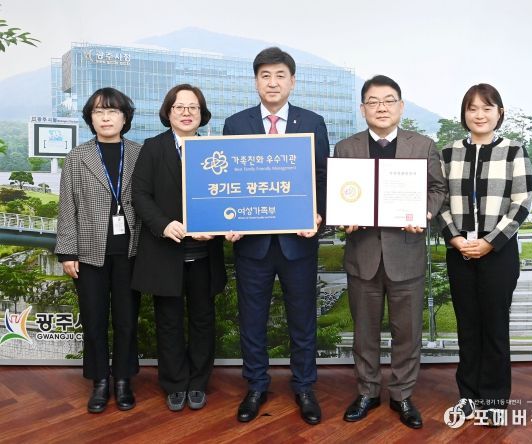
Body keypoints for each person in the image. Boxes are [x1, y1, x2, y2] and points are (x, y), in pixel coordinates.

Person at [222, 47, 329, 425]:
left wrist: (319, 215)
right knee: (252, 320)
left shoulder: (312, 122)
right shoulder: (236, 124)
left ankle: (304, 386)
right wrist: (226, 218)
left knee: (303, 319)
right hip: (252, 244)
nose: (272, 82)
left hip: (298, 242)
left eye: (280, 75)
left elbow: (322, 177)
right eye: (265, 75)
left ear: (292, 82)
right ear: (256, 82)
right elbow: (228, 179)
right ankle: (256, 385)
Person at [334, 75, 446, 429]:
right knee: (364, 332)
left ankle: (402, 394)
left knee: (407, 333)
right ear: (362, 108)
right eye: (373, 101)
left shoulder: (423, 145)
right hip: (363, 255)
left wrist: (424, 214)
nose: (381, 107)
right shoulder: (346, 148)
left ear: (401, 106)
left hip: (406, 254)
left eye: (388, 100)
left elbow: (437, 188)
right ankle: (367, 392)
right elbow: (338, 195)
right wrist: (343, 217)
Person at [438, 83, 532, 426]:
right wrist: (454, 238)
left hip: (499, 253)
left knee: (494, 326)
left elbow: (522, 202)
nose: (479, 114)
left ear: (499, 112)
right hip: (460, 251)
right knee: (467, 325)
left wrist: (491, 241)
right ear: (464, 114)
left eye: (487, 108)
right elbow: (440, 200)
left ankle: (493, 400)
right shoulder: (448, 153)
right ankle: (468, 396)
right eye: (472, 108)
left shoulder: (514, 151)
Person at [131, 84, 226, 412]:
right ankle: (174, 383)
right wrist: (163, 224)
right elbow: (140, 195)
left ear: (202, 113)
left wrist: (215, 227)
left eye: (193, 107)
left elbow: (226, 194)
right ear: (168, 112)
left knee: (203, 319)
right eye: (179, 107)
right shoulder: (152, 148)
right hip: (165, 251)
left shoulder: (214, 149)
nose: (187, 113)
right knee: (168, 321)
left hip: (204, 254)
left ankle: (198, 382)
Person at [55, 87, 141, 413]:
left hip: (131, 251)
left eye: (112, 111)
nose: (106, 117)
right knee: (94, 320)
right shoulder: (77, 156)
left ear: (125, 118)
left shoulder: (139, 153)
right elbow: (67, 206)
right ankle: (100, 381)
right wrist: (68, 252)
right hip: (90, 252)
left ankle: (123, 380)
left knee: (126, 320)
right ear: (90, 118)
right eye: (98, 112)